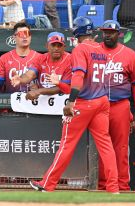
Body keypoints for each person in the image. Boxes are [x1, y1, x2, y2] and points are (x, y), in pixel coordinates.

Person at [29, 16, 119, 193]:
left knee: (66, 144)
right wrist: (61, 83)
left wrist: (70, 100)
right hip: (102, 101)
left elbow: (78, 77)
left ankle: (47, 184)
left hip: (83, 102)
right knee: (106, 145)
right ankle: (113, 187)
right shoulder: (102, 49)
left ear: (76, 33)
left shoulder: (80, 49)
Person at [97, 20, 135, 191]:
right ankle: (103, 185)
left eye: (111, 32)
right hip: (98, 104)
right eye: (105, 31)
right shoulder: (94, 52)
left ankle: (122, 185)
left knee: (121, 147)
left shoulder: (130, 54)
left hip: (120, 105)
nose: (108, 34)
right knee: (102, 147)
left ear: (119, 34)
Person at [10, 32, 72, 100]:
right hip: (43, 101)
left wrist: (39, 91)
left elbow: (64, 88)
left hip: (62, 101)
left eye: (59, 45)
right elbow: (30, 74)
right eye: (53, 45)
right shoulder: (41, 58)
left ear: (64, 47)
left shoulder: (70, 60)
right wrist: (21, 80)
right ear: (47, 46)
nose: (56, 48)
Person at [0, 22, 42, 93]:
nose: (25, 36)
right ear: (14, 37)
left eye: (27, 33)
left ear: (30, 36)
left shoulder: (40, 57)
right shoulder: (4, 58)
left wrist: (39, 88)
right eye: (21, 34)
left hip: (33, 101)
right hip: (11, 101)